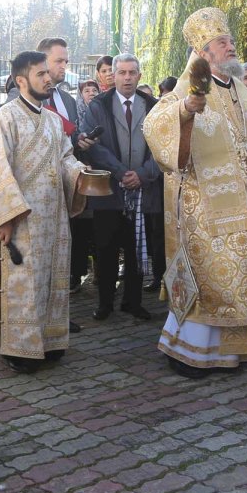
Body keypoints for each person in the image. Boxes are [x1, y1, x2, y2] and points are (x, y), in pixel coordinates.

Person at [143, 7, 247, 378]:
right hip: (204, 207)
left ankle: (231, 354)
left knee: (240, 279)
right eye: (223, 42)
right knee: (209, 280)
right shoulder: (188, 85)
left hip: (244, 205)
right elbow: (155, 125)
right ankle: (192, 354)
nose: (231, 46)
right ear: (204, 52)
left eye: (231, 40)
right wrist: (186, 110)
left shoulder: (238, 88)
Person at [0, 51, 90, 373]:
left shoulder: (54, 121)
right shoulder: (5, 118)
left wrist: (82, 175)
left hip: (53, 218)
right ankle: (18, 348)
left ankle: (49, 339)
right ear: (21, 80)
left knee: (50, 279)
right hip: (21, 219)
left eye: (48, 73)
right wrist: (5, 217)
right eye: (41, 74)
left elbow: (66, 158)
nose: (48, 78)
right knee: (22, 282)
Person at [80, 53, 162, 321]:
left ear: (139, 76)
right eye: (122, 72)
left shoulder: (153, 105)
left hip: (142, 191)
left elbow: (163, 147)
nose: (127, 78)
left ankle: (133, 301)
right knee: (106, 249)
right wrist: (120, 172)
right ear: (112, 75)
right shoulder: (98, 105)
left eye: (132, 73)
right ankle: (105, 303)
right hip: (109, 192)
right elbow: (94, 147)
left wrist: (142, 174)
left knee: (136, 247)